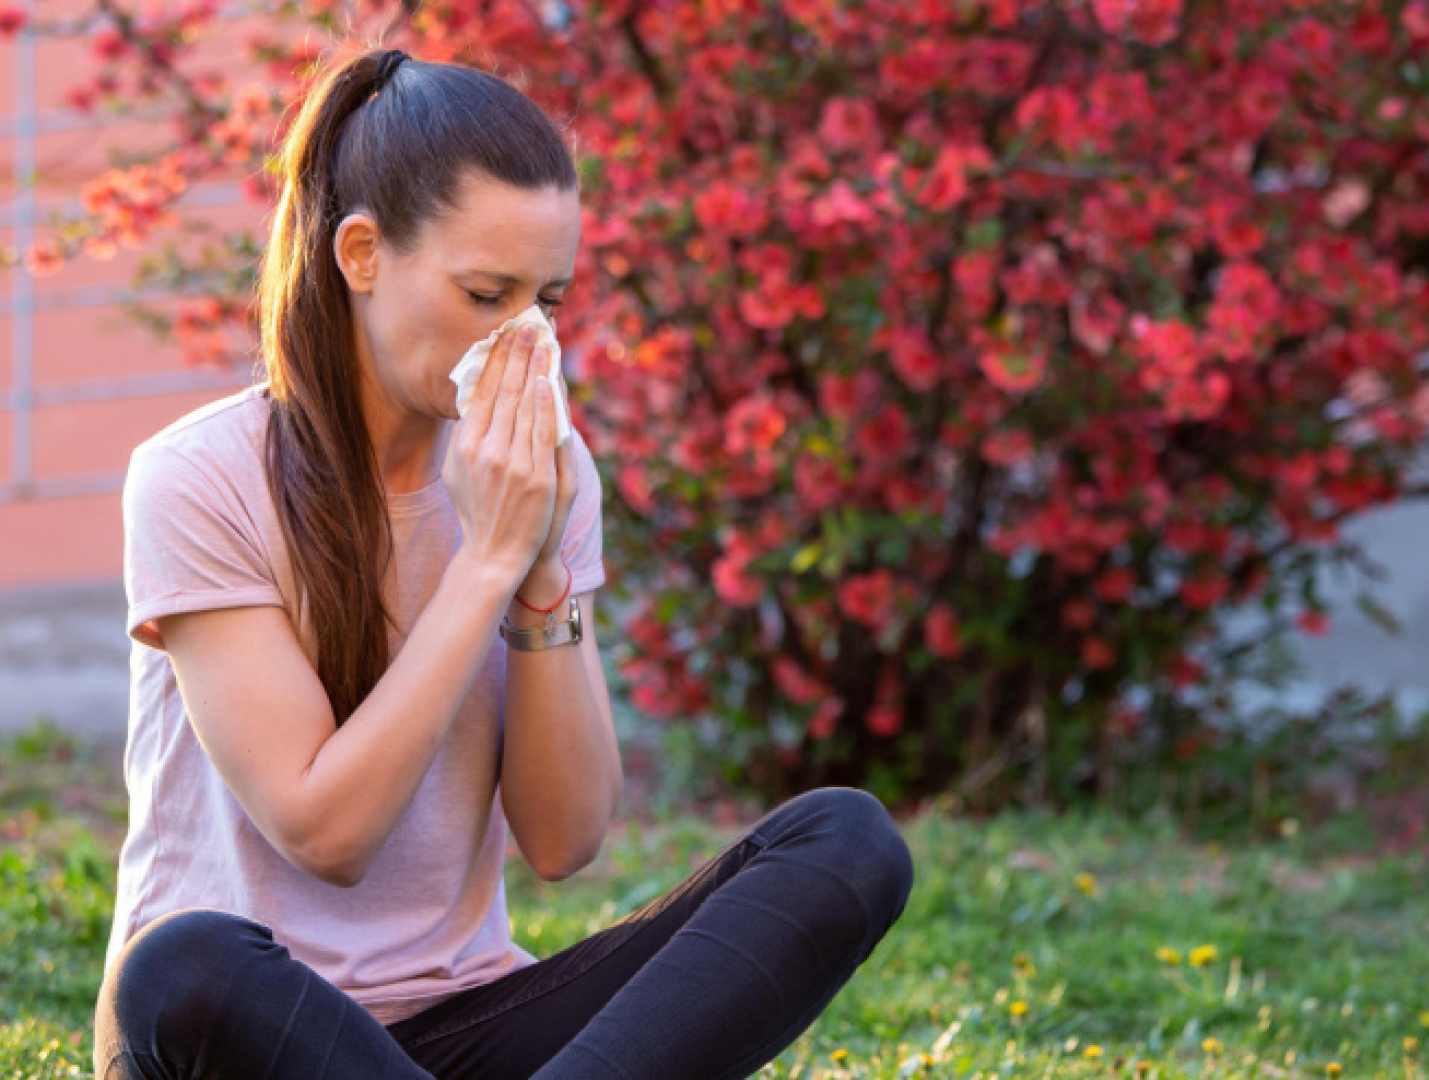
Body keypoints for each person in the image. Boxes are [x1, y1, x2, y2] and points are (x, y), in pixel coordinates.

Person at [89, 42, 915, 1080]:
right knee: (183, 963)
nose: (524, 341)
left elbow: (565, 840)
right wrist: (484, 559)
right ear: (362, 256)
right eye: (487, 295)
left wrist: (536, 576)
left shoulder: (541, 475)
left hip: (456, 1032)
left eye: (548, 302)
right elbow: (324, 834)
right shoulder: (198, 478)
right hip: (240, 1036)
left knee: (846, 844)